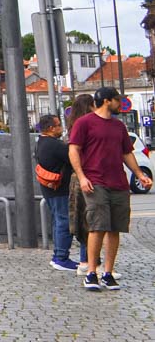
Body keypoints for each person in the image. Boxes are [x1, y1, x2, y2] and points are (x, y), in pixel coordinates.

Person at [69, 87, 149, 291]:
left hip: (119, 183)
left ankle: (108, 272)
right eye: (117, 100)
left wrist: (140, 174)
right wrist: (82, 176)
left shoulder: (119, 126)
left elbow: (127, 153)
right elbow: (74, 150)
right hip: (95, 181)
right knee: (97, 226)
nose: (120, 104)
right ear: (106, 101)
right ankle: (91, 272)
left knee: (115, 227)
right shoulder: (84, 123)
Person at [36, 113, 76, 271]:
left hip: (49, 187)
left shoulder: (40, 142)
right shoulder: (55, 145)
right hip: (59, 188)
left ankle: (58, 256)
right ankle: (61, 257)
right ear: (51, 128)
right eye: (59, 125)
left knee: (58, 220)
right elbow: (72, 158)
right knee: (64, 222)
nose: (61, 128)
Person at [65, 94, 98, 275]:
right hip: (87, 176)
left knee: (83, 219)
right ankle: (89, 261)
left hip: (77, 177)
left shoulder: (73, 126)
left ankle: (86, 260)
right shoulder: (88, 125)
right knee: (91, 220)